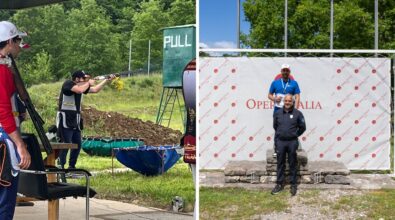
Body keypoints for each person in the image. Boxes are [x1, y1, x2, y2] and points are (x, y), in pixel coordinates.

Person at [0, 20, 31, 219]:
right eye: (18, 40)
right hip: (3, 139)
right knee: (5, 201)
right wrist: (20, 144)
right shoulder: (1, 71)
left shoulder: (5, 68)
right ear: (10, 41)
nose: (20, 45)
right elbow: (3, 112)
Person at [57, 70, 115, 169]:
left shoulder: (82, 87)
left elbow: (95, 90)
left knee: (77, 145)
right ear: (76, 79)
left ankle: (71, 167)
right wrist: (88, 83)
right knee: (65, 144)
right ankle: (60, 167)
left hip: (76, 120)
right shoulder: (68, 84)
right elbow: (79, 90)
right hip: (65, 119)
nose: (85, 79)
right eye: (83, 78)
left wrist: (106, 80)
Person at [271, 94, 306, 196]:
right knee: (280, 163)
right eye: (286, 101)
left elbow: (303, 127)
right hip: (280, 142)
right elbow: (275, 126)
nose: (287, 102)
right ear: (283, 102)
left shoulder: (298, 114)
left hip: (292, 142)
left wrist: (295, 134)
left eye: (289, 101)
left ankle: (293, 185)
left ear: (293, 102)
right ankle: (279, 184)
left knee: (292, 163)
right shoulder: (277, 113)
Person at [268, 64, 301, 158]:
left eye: (287, 70)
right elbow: (269, 95)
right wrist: (274, 99)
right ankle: (277, 149)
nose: (285, 72)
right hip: (278, 110)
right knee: (278, 129)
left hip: (290, 110)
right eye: (283, 70)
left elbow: (297, 96)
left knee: (291, 128)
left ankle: (292, 148)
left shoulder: (294, 83)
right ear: (281, 72)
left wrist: (296, 109)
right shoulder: (275, 83)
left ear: (289, 72)